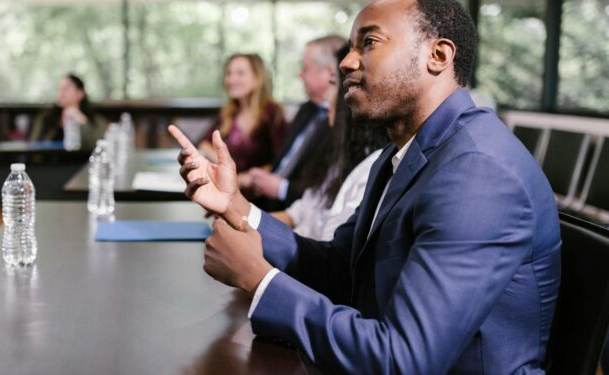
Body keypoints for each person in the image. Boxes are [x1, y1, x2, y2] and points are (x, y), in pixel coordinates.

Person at [168, 0, 561, 373]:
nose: (346, 62)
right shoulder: (405, 152)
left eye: (368, 43)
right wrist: (237, 206)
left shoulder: (478, 172)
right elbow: (342, 269)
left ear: (438, 56)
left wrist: (258, 279)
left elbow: (403, 361)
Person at [271, 45, 389, 241]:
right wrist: (237, 215)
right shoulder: (339, 156)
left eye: (333, 84)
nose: (326, 97)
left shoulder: (371, 168)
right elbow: (297, 213)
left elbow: (328, 250)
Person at [241, 36, 345, 210]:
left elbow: (330, 190)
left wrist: (282, 188)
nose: (300, 74)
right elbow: (282, 162)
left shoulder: (344, 123)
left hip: (297, 212)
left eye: (305, 68)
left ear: (329, 72)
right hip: (264, 201)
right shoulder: (307, 109)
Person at [200, 54, 287, 172]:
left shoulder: (272, 112)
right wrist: (226, 166)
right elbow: (204, 143)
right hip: (228, 184)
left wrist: (251, 178)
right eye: (229, 73)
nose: (231, 80)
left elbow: (282, 159)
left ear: (258, 78)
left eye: (240, 73)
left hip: (257, 187)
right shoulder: (229, 112)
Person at [29, 74, 105, 149]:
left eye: (66, 88)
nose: (61, 92)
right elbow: (33, 145)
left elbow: (99, 146)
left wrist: (82, 120)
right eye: (59, 88)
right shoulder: (45, 118)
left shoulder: (95, 120)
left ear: (80, 94)